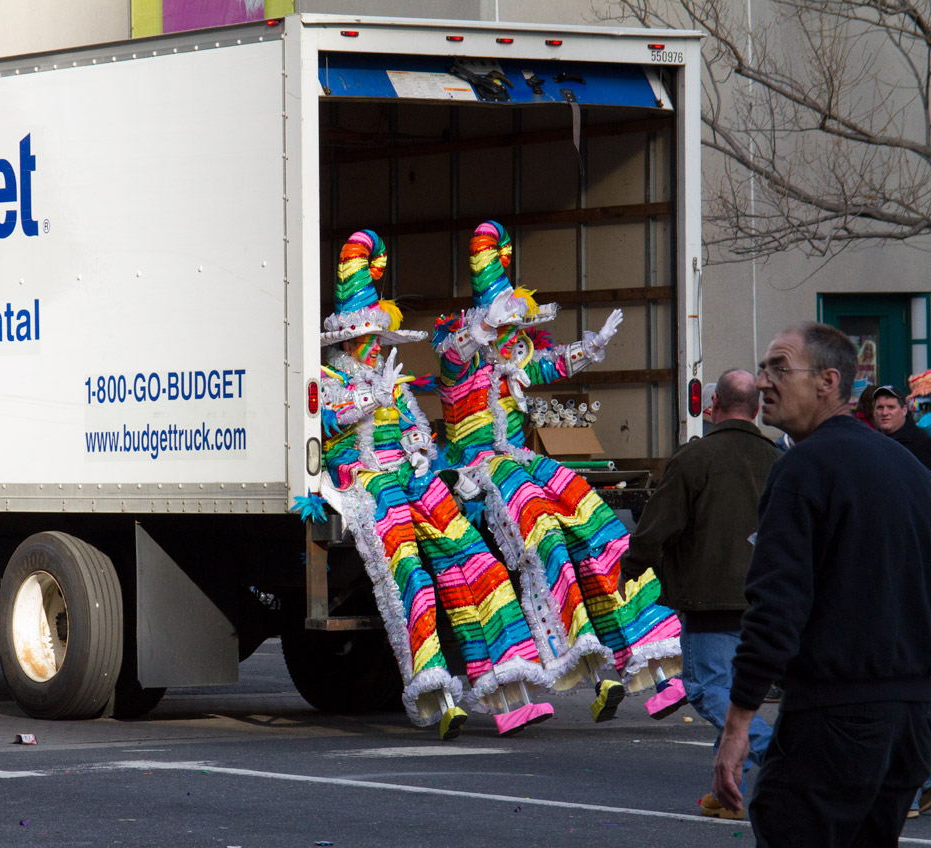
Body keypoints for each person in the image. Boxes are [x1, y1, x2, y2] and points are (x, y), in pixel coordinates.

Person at [432, 221, 684, 723]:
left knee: (595, 525)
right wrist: (483, 325)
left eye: (511, 329)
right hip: (481, 469)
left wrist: (591, 348)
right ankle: (584, 657)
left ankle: (648, 663)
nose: (510, 338)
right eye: (501, 327)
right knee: (544, 534)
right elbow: (459, 351)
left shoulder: (511, 357)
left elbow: (547, 364)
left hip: (520, 462)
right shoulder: (457, 361)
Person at [309, 229, 554, 739]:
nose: (373, 351)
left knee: (476, 564)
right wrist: (367, 402)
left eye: (376, 343)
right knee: (413, 581)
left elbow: (418, 425)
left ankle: (507, 688)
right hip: (366, 486)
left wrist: (420, 448)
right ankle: (437, 696)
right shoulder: (329, 380)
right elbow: (331, 424)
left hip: (411, 477)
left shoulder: (391, 381)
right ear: (345, 345)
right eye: (364, 343)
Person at [713, 321, 931, 844]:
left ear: (828, 381)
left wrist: (739, 720)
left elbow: (776, 604)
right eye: (764, 368)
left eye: (779, 368)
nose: (764, 381)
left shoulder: (803, 469)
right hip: (910, 722)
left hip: (834, 715)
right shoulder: (910, 469)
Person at [621, 368, 778, 818]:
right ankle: (728, 791)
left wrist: (632, 565)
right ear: (754, 408)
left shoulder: (696, 457)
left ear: (713, 407)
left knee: (709, 690)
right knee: (733, 688)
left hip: (711, 597)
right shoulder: (778, 460)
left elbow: (659, 524)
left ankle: (782, 757)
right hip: (765, 598)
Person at [872, 384, 931, 470]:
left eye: (891, 407)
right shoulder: (872, 440)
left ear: (904, 410)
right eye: (880, 407)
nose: (884, 413)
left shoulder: (920, 442)